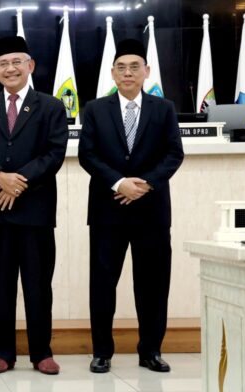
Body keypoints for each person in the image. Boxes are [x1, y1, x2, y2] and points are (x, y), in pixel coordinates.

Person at [78, 39, 184, 374]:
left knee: (152, 284)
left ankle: (150, 350)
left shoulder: (164, 108)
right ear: (112, 73)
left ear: (146, 71)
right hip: (108, 210)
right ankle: (102, 352)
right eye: (121, 68)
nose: (128, 73)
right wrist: (119, 182)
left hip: (151, 211)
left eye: (134, 67)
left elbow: (173, 154)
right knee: (103, 283)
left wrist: (145, 184)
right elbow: (88, 155)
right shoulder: (95, 109)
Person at [0, 36, 67, 375]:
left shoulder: (50, 106)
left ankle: (42, 352)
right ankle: (3, 352)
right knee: (2, 283)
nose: (10, 69)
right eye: (3, 64)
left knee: (39, 284)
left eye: (16, 62)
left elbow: (54, 154)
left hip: (35, 210)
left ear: (30, 66)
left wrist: (17, 180)